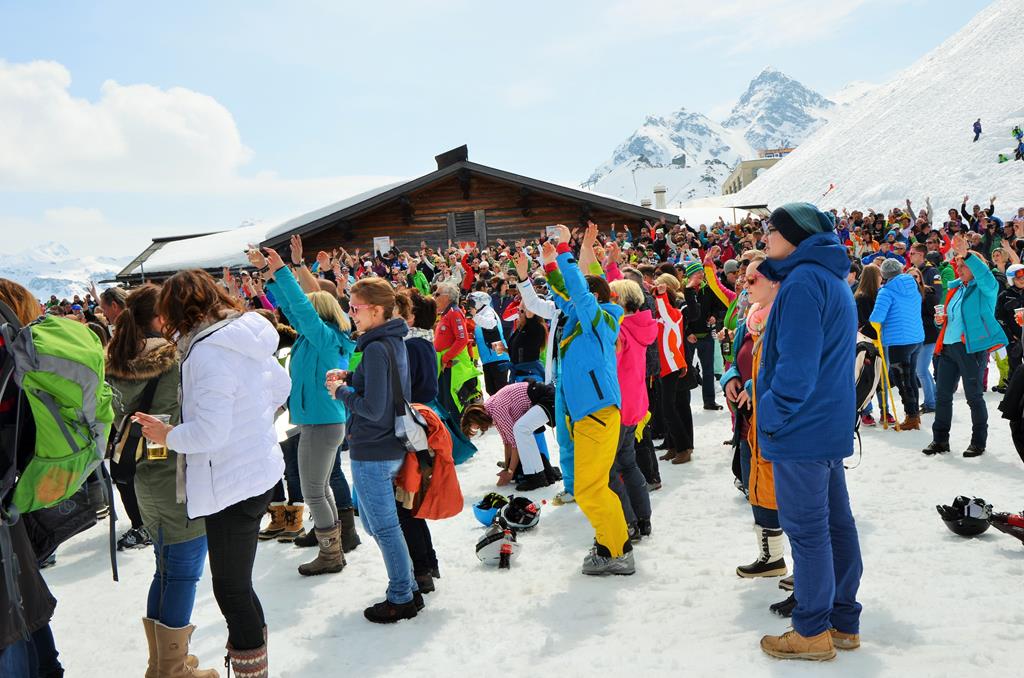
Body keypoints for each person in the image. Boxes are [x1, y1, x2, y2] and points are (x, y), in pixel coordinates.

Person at [135, 268, 290, 678]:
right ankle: (253, 665)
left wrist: (166, 434)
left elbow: (209, 433)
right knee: (237, 585)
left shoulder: (207, 350)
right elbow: (280, 388)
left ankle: (251, 670)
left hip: (231, 483)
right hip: (254, 471)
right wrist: (252, 423)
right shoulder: (243, 333)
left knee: (231, 589)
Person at [755, 203, 862, 661]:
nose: (764, 238)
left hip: (801, 429)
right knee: (836, 525)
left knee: (808, 532)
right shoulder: (829, 277)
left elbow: (796, 371)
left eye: (771, 230)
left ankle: (812, 630)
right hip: (826, 424)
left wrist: (769, 416)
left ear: (795, 236)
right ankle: (842, 621)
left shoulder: (801, 282)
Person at [104, 284, 218, 677]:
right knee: (183, 573)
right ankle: (172, 669)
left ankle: (162, 664)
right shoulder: (173, 361)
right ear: (160, 318)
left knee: (164, 570)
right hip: (179, 479)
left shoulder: (118, 360)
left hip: (143, 480)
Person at [250, 246, 357, 576]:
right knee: (319, 489)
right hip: (317, 421)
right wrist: (269, 276)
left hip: (322, 423)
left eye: (310, 312)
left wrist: (283, 270)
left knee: (313, 491)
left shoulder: (326, 339)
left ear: (319, 313)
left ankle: (331, 554)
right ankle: (333, 548)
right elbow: (291, 309)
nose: (300, 319)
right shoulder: (313, 339)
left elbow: (300, 308)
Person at [328, 278, 422, 623]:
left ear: (377, 310)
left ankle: (402, 596)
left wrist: (341, 392)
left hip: (374, 449)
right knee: (376, 524)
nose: (351, 314)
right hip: (383, 445)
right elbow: (382, 383)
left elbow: (373, 407)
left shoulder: (376, 347)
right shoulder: (388, 341)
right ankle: (408, 585)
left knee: (383, 528)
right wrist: (349, 376)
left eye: (356, 308)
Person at [543, 225, 632, 575]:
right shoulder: (580, 321)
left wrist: (567, 249)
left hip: (597, 411)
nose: (572, 300)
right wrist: (549, 264)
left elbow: (578, 294)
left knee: (590, 489)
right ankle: (613, 544)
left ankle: (616, 550)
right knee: (591, 487)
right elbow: (564, 295)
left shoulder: (602, 320)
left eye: (581, 295)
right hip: (587, 414)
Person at [0, 279, 63, 678]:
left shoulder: (9, 354)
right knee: (23, 595)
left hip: (8, 492)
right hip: (18, 491)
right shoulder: (26, 353)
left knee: (9, 617)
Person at [721, 259, 788, 582]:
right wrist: (731, 377)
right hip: (750, 421)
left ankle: (806, 566)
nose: (744, 286)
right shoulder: (750, 318)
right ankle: (771, 557)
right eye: (743, 279)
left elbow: (786, 371)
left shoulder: (784, 317)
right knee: (755, 487)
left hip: (776, 421)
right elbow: (737, 359)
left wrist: (753, 387)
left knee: (784, 493)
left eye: (752, 280)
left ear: (774, 281)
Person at [924, 236, 1007, 457]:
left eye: (964, 265)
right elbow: (949, 318)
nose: (959, 269)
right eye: (958, 264)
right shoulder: (956, 288)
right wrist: (939, 321)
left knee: (973, 397)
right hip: (948, 348)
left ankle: (978, 442)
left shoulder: (987, 288)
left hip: (971, 349)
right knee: (943, 396)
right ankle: (940, 440)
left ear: (975, 266)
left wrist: (967, 253)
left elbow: (985, 276)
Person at [394, 291, 442, 594]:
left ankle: (421, 569)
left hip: (411, 429)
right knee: (410, 505)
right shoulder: (422, 342)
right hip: (419, 427)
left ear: (410, 317)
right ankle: (428, 562)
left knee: (405, 506)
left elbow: (404, 391)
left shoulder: (410, 346)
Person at [607, 279, 657, 540]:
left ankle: (628, 522)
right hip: (635, 402)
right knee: (628, 462)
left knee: (610, 468)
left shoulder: (620, 330)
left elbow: (610, 364)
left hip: (619, 405)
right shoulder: (640, 324)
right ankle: (643, 517)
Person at [461, 381, 556, 492]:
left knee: (520, 430)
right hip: (539, 397)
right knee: (520, 431)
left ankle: (537, 477)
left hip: (546, 398)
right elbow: (507, 442)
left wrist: (510, 472)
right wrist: (507, 468)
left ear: (478, 419)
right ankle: (539, 474)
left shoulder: (497, 411)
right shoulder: (490, 409)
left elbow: (515, 444)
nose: (479, 429)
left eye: (476, 426)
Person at [870, 258, 925, 429]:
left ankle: (912, 417)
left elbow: (877, 317)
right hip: (916, 337)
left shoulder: (886, 291)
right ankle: (914, 414)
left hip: (899, 340)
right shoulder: (913, 285)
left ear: (884, 274)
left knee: (902, 381)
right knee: (910, 378)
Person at [653, 274, 695, 464]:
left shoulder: (674, 315)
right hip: (663, 367)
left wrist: (660, 295)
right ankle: (673, 445)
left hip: (672, 366)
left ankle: (684, 447)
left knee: (669, 409)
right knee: (667, 409)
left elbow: (664, 309)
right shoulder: (659, 317)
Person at [467, 291, 510, 396]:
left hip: (497, 357)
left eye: (472, 302)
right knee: (491, 391)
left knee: (500, 391)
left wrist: (475, 315)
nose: (470, 305)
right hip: (488, 359)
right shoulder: (481, 314)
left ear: (480, 302)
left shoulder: (488, 312)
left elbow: (491, 324)